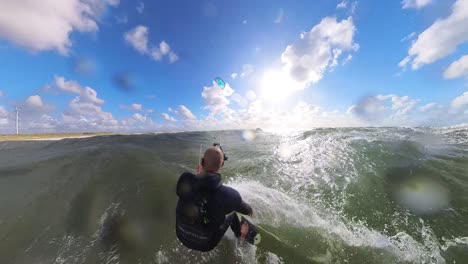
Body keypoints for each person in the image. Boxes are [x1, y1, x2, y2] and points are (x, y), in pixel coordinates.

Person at [175, 146, 253, 252]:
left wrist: (199, 178)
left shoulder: (184, 179)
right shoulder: (230, 195)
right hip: (205, 244)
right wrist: (250, 211)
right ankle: (241, 235)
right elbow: (247, 210)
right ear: (222, 164)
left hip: (181, 234)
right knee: (232, 213)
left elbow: (197, 185)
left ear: (202, 162)